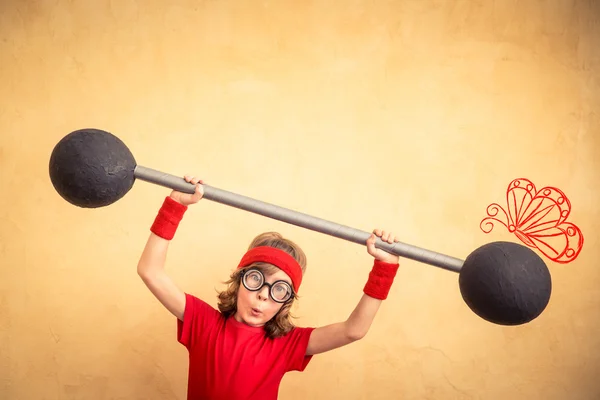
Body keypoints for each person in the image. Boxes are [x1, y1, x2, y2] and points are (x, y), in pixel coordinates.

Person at [137, 175, 401, 400]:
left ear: (286, 302)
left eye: (279, 290)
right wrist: (175, 205)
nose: (263, 294)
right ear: (239, 280)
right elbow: (150, 271)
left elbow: (354, 330)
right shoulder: (204, 323)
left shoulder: (286, 345)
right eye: (255, 280)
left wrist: (385, 268)